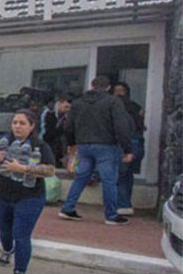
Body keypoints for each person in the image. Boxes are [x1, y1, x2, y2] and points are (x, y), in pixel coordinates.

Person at [0, 110, 56, 274]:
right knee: (5, 232)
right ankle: (7, 250)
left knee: (21, 235)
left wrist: (23, 169)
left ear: (31, 126)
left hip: (30, 196)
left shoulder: (40, 146)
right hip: (3, 194)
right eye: (15, 122)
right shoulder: (1, 143)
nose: (17, 126)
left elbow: (50, 170)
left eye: (22, 123)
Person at [59, 76, 134, 225]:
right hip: (106, 146)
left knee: (81, 177)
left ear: (92, 86)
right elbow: (122, 126)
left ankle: (67, 208)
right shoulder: (113, 101)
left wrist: (72, 143)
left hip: (84, 146)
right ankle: (111, 215)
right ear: (108, 87)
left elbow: (68, 126)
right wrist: (127, 149)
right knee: (109, 180)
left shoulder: (78, 103)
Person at [111, 81, 145, 216]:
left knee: (121, 174)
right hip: (137, 141)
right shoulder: (135, 106)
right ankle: (125, 202)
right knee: (128, 174)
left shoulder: (115, 107)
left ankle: (124, 205)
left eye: (119, 90)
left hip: (126, 142)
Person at [41, 94, 72, 164]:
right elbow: (47, 130)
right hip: (47, 138)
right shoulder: (48, 113)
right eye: (66, 107)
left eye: (69, 108)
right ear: (59, 104)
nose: (68, 109)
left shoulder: (66, 117)